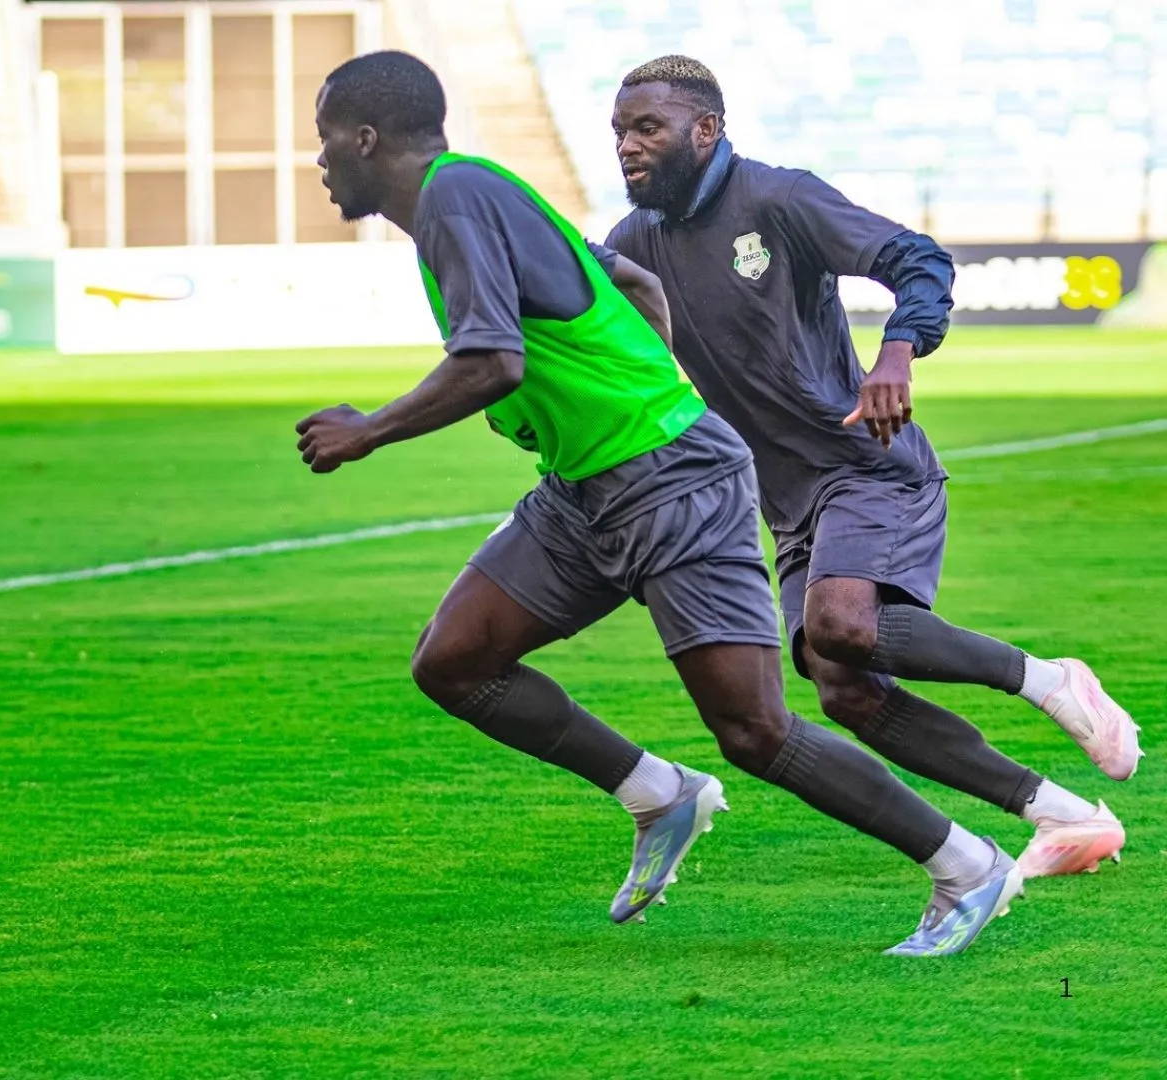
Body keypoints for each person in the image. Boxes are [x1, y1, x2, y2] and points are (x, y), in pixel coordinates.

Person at [296, 49, 1019, 956]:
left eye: (325, 141)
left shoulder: (455, 197)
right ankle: (656, 792)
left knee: (755, 731)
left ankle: (966, 862)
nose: (318, 162)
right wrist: (644, 384)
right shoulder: (468, 199)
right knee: (454, 660)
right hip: (587, 486)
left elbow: (494, 362)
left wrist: (369, 429)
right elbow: (632, 285)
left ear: (366, 138)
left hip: (672, 480)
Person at [595, 55, 1136, 882]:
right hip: (786, 501)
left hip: (868, 464)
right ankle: (1060, 816)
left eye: (647, 128)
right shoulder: (635, 244)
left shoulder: (776, 198)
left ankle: (1050, 680)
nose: (628, 147)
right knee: (843, 687)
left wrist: (896, 356)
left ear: (705, 130)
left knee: (845, 626)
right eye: (620, 132)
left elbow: (919, 259)